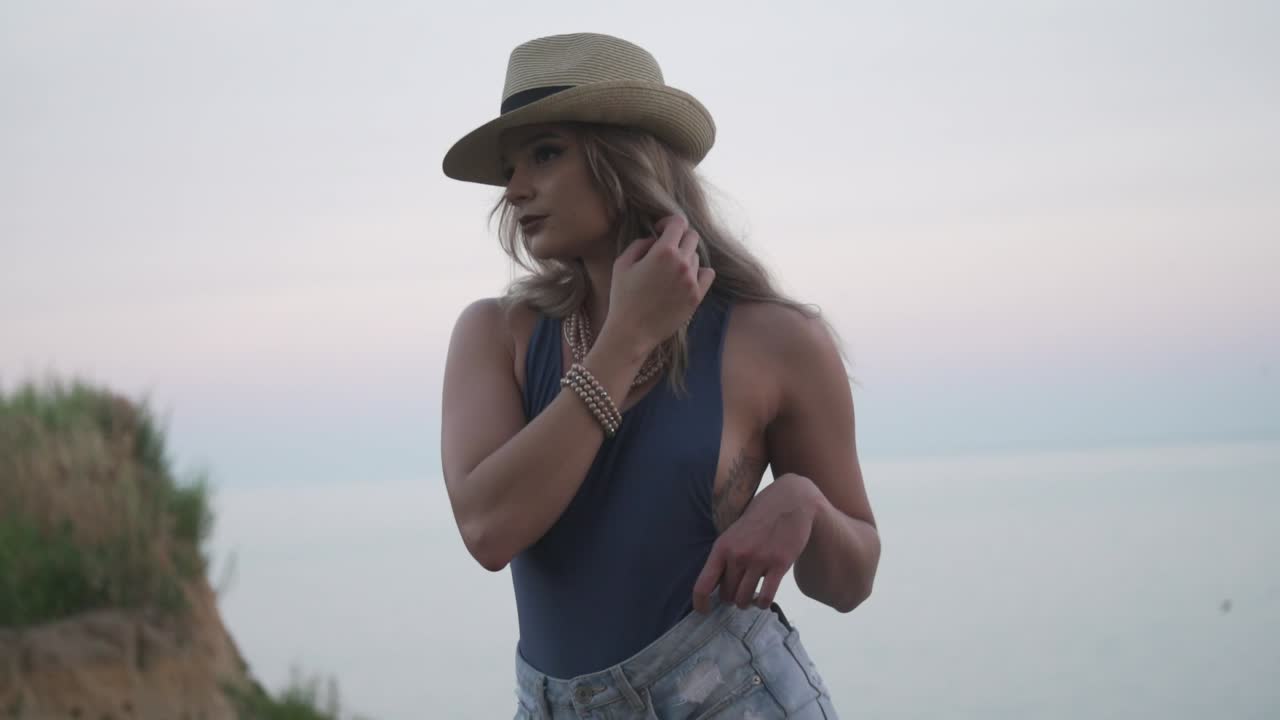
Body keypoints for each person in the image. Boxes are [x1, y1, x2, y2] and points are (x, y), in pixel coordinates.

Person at [440, 32, 880, 719]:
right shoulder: (495, 336)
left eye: (546, 153)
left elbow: (851, 581)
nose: (516, 189)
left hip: (736, 697)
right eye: (510, 167)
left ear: (626, 157)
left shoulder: (777, 340)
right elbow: (488, 530)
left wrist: (806, 504)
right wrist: (627, 336)